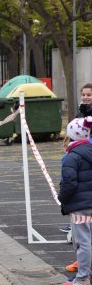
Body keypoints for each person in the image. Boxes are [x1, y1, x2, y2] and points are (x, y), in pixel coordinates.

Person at [58, 117, 92, 285]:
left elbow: (69, 183)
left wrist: (62, 198)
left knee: (82, 241)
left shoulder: (72, 157)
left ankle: (83, 277)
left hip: (80, 205)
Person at [59, 83, 92, 235]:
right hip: (78, 151)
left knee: (81, 184)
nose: (86, 97)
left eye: (89, 95)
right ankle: (75, 218)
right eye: (84, 94)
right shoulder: (81, 111)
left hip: (85, 151)